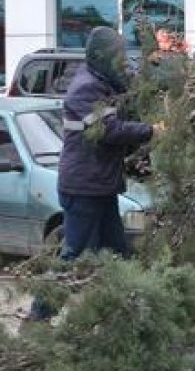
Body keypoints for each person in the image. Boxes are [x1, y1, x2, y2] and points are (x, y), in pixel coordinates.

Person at [29, 27, 159, 320]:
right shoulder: (86, 87)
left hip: (99, 187)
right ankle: (38, 317)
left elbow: (127, 105)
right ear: (102, 56)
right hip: (84, 187)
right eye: (118, 56)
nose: (122, 62)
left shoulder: (103, 83)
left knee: (118, 254)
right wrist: (151, 131)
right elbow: (108, 130)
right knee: (72, 256)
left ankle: (129, 315)